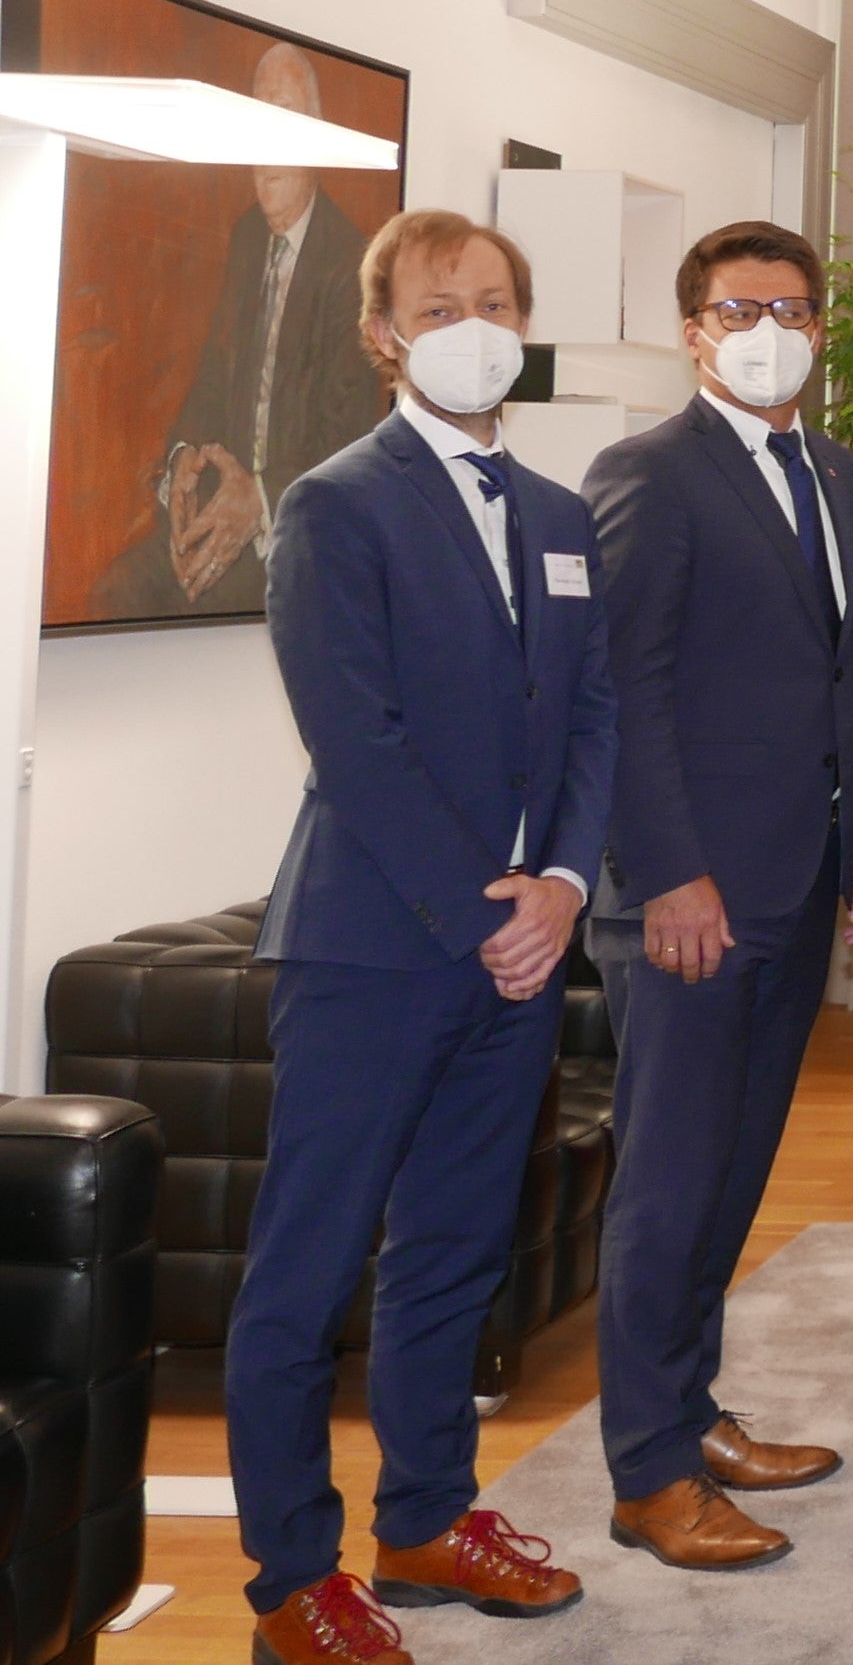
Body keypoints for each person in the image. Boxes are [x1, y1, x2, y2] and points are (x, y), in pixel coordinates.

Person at [233, 208, 612, 1665]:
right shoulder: (334, 505)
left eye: (497, 299)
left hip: (520, 947)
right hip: (374, 950)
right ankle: (287, 1584)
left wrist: (565, 888)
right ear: (382, 331)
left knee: (455, 1252)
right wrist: (484, 918)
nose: (474, 322)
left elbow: (592, 720)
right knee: (307, 1270)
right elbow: (358, 744)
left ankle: (429, 1522)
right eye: (441, 302)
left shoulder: (563, 517)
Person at [578, 220, 853, 1568]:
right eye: (738, 306)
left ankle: (691, 1407)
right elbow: (622, 688)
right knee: (666, 1183)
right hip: (689, 900)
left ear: (817, 327)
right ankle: (648, 1473)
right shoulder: (647, 473)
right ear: (693, 330)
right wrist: (667, 873)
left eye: (793, 304)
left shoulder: (843, 477)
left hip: (799, 880)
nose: (770, 324)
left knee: (731, 1174)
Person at [95, 42, 379, 621]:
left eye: (283, 115)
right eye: (256, 119)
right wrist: (180, 461)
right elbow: (213, 375)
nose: (265, 145)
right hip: (219, 506)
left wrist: (258, 497)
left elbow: (347, 436)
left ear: (318, 133)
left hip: (292, 525)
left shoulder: (353, 262)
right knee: (114, 592)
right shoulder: (248, 237)